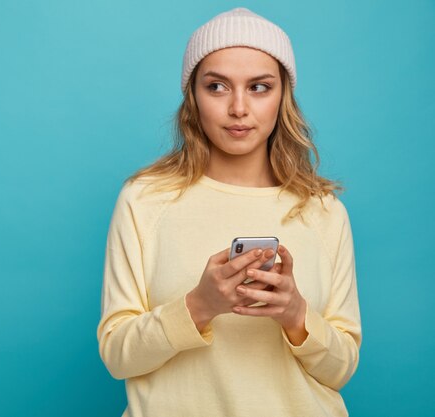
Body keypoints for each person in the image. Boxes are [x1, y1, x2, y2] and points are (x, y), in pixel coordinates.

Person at [97, 7, 361, 417]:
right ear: (193, 97)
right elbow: (117, 355)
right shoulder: (144, 200)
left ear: (282, 97)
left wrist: (295, 316)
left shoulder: (324, 212)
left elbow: (341, 370)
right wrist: (199, 305)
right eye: (217, 86)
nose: (239, 108)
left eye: (259, 87)